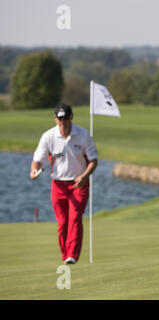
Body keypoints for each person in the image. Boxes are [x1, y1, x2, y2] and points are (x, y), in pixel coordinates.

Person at [30, 103, 98, 265]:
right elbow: (37, 160)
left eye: (66, 118)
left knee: (75, 218)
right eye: (60, 118)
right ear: (55, 119)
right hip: (58, 184)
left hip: (78, 183)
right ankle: (65, 255)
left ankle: (72, 255)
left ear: (71, 117)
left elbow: (93, 161)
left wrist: (84, 176)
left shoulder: (83, 135)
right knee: (62, 224)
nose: (63, 121)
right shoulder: (48, 136)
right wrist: (34, 170)